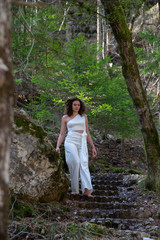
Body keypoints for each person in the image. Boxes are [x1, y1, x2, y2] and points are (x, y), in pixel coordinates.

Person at [56, 96, 97, 198]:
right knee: (76, 161)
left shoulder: (84, 117)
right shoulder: (65, 118)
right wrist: (57, 146)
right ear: (71, 105)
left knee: (83, 163)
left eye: (78, 105)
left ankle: (87, 190)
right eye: (75, 105)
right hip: (70, 141)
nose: (77, 107)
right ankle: (75, 190)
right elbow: (62, 134)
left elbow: (87, 132)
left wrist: (93, 147)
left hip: (82, 141)